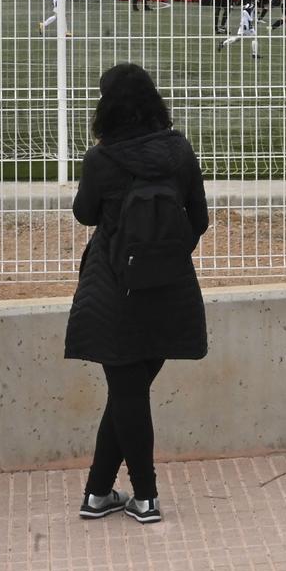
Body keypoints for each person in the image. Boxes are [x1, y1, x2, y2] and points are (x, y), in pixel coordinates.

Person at [65, 64, 210, 525]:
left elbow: (85, 214)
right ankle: (97, 492)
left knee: (127, 391)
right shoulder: (179, 149)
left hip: (113, 288)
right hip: (169, 288)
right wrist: (164, 253)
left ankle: (145, 497)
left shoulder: (101, 158)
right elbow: (199, 218)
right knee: (128, 390)